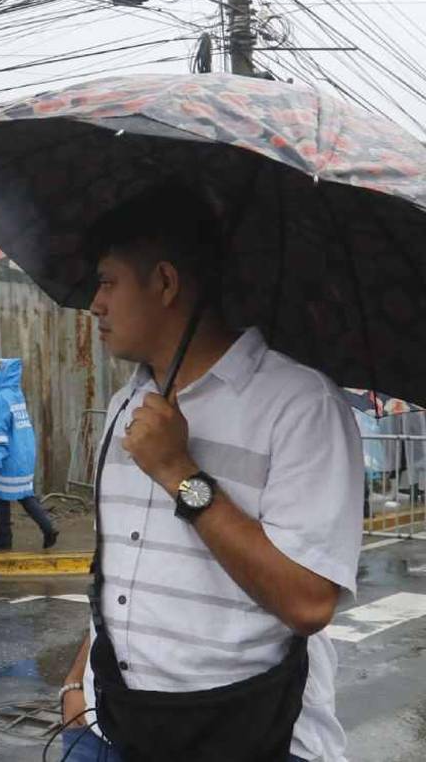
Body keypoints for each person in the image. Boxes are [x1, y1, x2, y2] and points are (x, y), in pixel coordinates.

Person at [58, 186, 362, 762]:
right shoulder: (130, 404)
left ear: (166, 284)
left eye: (107, 281)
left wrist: (179, 472)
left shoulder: (299, 405)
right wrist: (77, 682)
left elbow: (308, 602)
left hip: (252, 734)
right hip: (111, 728)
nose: (94, 304)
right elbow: (124, 576)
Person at [0, 358, 58, 550]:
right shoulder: (16, 394)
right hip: (21, 452)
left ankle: (8, 536)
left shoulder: (0, 399)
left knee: (6, 495)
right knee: (22, 494)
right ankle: (42, 528)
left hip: (7, 454)